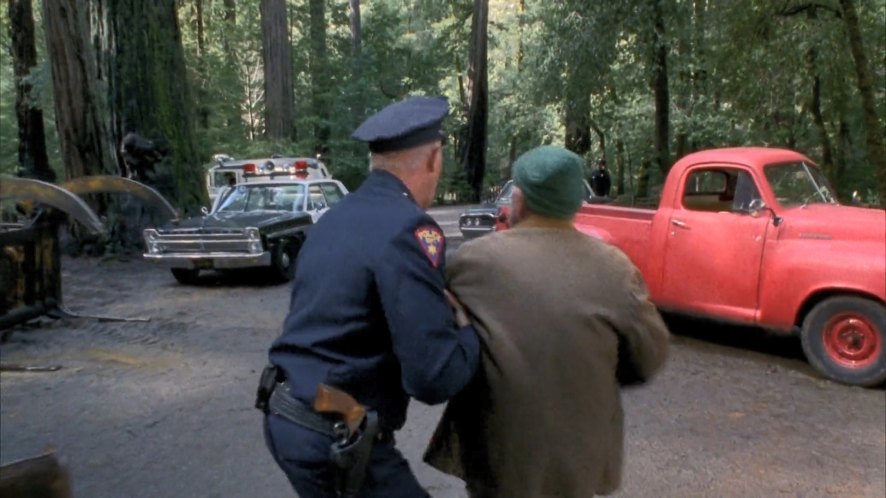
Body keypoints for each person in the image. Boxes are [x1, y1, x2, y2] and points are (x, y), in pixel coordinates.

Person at [257, 96, 480, 498]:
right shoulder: (410, 230)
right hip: (334, 434)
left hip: (286, 414)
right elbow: (432, 377)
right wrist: (468, 335)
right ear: (433, 159)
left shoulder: (333, 219)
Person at [424, 145, 670, 498]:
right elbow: (649, 358)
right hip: (579, 457)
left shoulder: (475, 260)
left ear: (519, 199)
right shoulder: (616, 268)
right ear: (574, 202)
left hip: (498, 454)